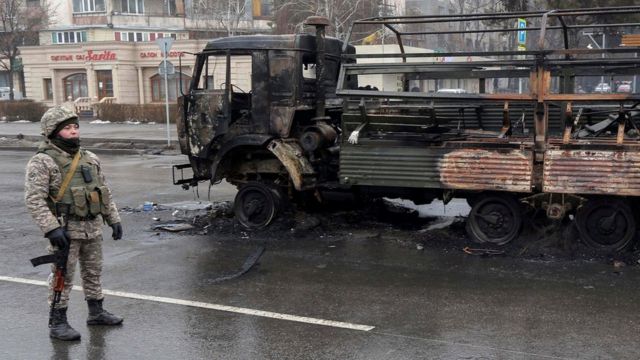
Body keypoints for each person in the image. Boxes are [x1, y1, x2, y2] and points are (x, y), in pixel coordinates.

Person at [24, 106, 124, 341]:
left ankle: (96, 312)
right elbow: (34, 199)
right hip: (65, 231)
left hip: (92, 228)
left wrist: (114, 219)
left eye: (75, 127)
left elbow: (104, 191)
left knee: (93, 272)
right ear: (52, 132)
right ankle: (58, 322)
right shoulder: (42, 161)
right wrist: (51, 228)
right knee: (62, 277)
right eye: (67, 128)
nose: (73, 132)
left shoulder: (90, 158)